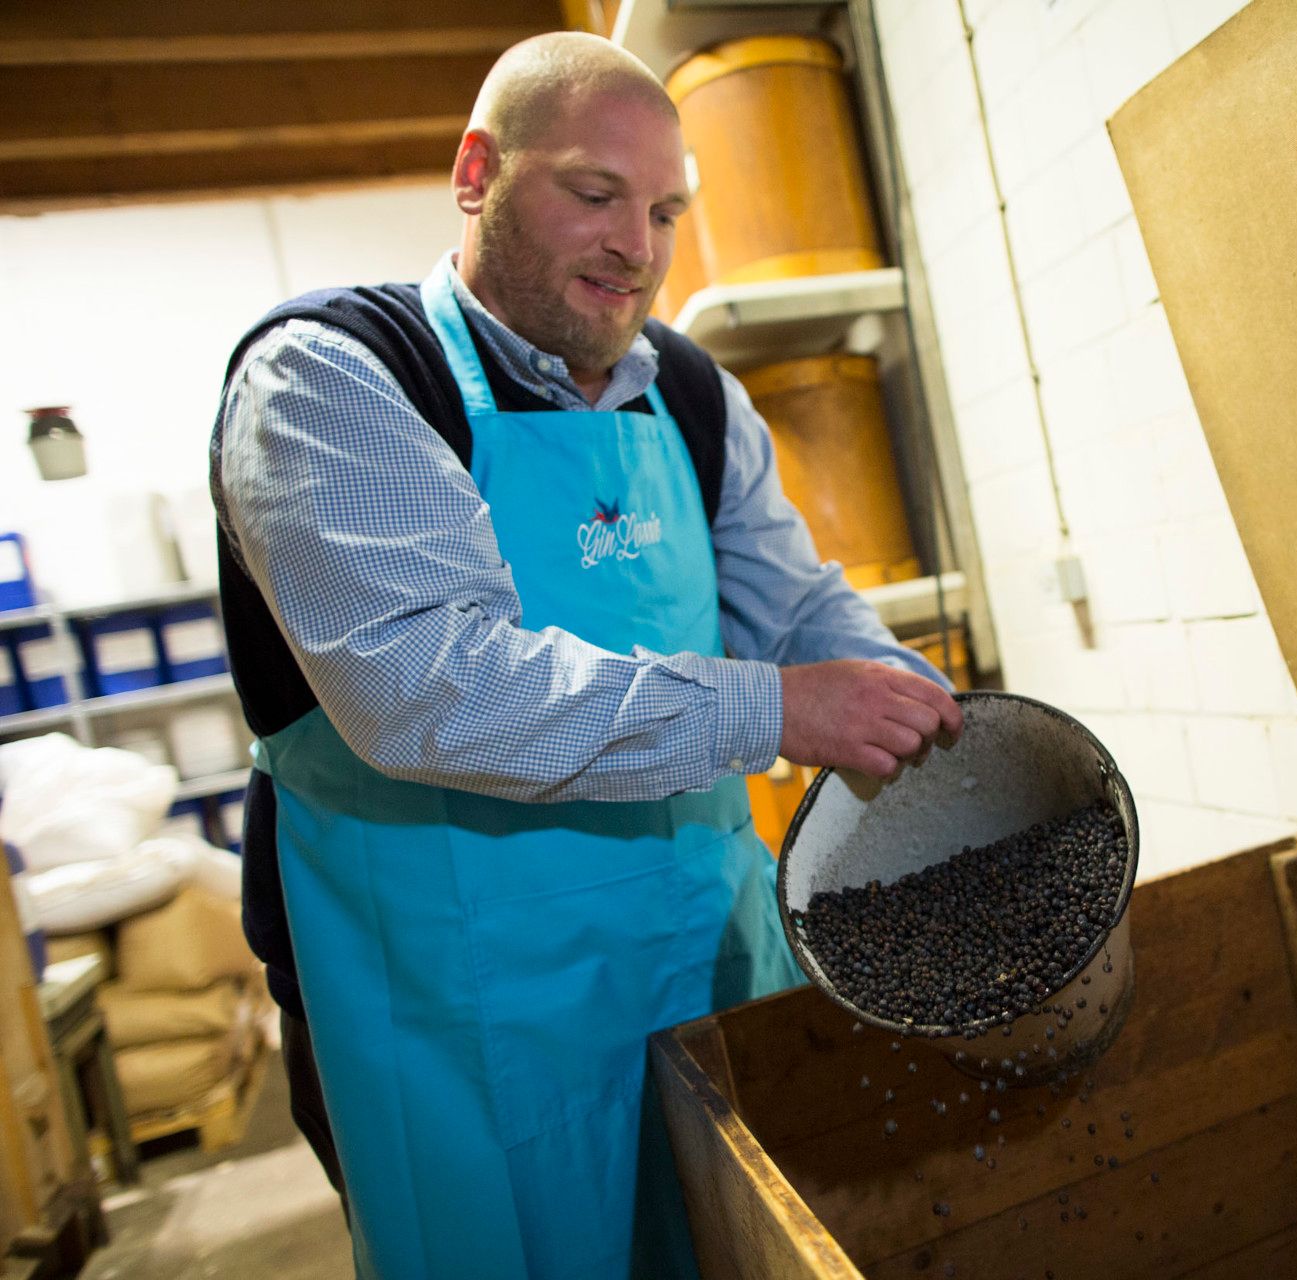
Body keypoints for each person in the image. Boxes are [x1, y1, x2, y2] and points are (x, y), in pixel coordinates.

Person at [209, 31, 961, 1279]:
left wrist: (918, 716)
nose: (639, 245)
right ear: (475, 173)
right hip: (459, 1018)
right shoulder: (336, 379)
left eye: (666, 208)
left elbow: (795, 610)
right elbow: (430, 690)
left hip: (701, 966)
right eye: (594, 194)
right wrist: (776, 709)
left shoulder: (694, 396)